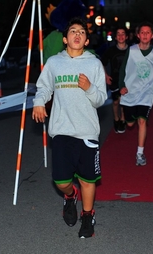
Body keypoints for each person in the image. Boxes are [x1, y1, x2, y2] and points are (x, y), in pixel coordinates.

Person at [32, 17, 107, 238]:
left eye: (82, 32)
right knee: (61, 181)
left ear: (86, 40)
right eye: (73, 31)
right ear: (65, 39)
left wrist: (89, 88)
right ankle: (69, 196)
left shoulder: (94, 64)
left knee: (87, 179)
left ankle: (87, 216)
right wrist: (38, 103)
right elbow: (44, 87)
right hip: (62, 130)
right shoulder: (54, 62)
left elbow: (100, 98)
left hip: (87, 131)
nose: (77, 35)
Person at [119, 21, 153, 166]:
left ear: (152, 35)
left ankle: (139, 153)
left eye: (148, 33)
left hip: (147, 91)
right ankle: (127, 115)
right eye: (143, 32)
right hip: (130, 90)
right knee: (129, 124)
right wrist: (122, 85)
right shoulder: (132, 50)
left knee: (142, 121)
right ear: (138, 35)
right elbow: (123, 69)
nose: (145, 35)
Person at [101, 26, 129, 133]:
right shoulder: (110, 50)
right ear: (116, 37)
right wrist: (106, 76)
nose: (121, 36)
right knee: (116, 102)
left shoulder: (132, 50)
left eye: (123, 34)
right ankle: (116, 119)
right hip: (114, 80)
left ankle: (123, 119)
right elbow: (102, 63)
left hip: (127, 81)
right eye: (118, 34)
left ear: (126, 37)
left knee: (124, 101)